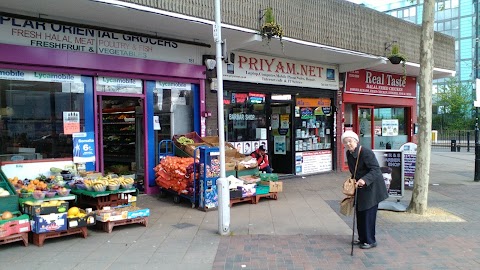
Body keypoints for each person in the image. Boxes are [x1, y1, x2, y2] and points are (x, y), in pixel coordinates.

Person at [341, 130, 388, 249]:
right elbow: (354, 171)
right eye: (345, 143)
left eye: (350, 141)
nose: (348, 144)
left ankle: (370, 240)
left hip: (372, 187)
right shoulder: (349, 153)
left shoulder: (366, 152)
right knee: (360, 212)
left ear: (356, 141)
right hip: (359, 187)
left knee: (368, 214)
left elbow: (376, 170)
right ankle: (362, 237)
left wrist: (364, 180)